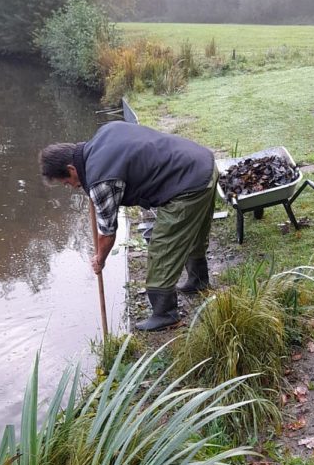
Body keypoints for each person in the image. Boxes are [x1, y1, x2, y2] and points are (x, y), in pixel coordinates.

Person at [39, 120, 217, 332]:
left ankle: (165, 315)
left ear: (71, 169)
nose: (72, 188)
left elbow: (107, 233)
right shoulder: (104, 134)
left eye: (67, 183)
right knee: (192, 232)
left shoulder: (100, 181)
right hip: (203, 164)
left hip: (188, 183)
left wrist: (100, 259)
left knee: (163, 247)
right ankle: (198, 281)